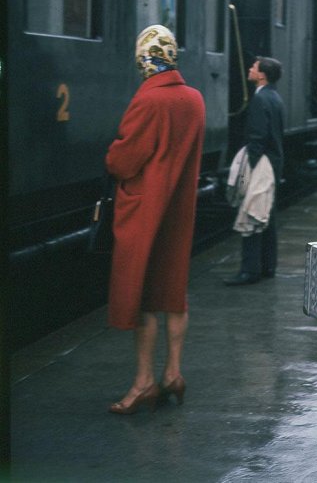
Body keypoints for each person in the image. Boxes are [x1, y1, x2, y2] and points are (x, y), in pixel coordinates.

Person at [106, 24, 205, 415]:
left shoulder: (147, 102)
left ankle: (143, 382)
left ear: (144, 60)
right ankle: (173, 375)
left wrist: (111, 154)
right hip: (179, 210)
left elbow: (123, 160)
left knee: (145, 296)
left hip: (145, 212)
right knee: (174, 293)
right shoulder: (194, 99)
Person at [225, 57, 285, 286]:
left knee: (251, 213)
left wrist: (249, 167)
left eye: (253, 67)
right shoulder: (274, 97)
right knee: (266, 214)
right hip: (273, 161)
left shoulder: (260, 99)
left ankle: (249, 270)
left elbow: (258, 137)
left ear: (261, 75)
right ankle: (268, 266)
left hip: (261, 164)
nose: (249, 68)